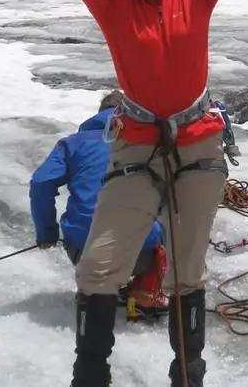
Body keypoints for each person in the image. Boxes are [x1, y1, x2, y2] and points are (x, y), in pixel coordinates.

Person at [11, 0, 248, 387]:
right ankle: (90, 378)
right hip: (136, 146)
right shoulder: (110, 3)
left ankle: (188, 378)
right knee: (97, 266)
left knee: (187, 271)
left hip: (197, 145)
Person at [29, 89, 168, 320]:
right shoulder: (150, 142)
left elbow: (41, 182)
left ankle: (94, 289)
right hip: (140, 251)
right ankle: (144, 294)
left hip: (84, 249)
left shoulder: (73, 143)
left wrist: (48, 234)